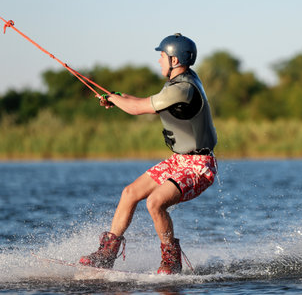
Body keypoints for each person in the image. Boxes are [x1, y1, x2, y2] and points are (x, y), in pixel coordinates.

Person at [79, 33, 218, 275]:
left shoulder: (183, 88)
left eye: (162, 56)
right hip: (179, 161)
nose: (159, 61)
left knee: (155, 203)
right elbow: (146, 102)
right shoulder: (182, 81)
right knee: (130, 193)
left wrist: (117, 100)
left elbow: (138, 108)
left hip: (199, 167)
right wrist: (118, 97)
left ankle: (171, 261)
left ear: (174, 60)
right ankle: (107, 254)